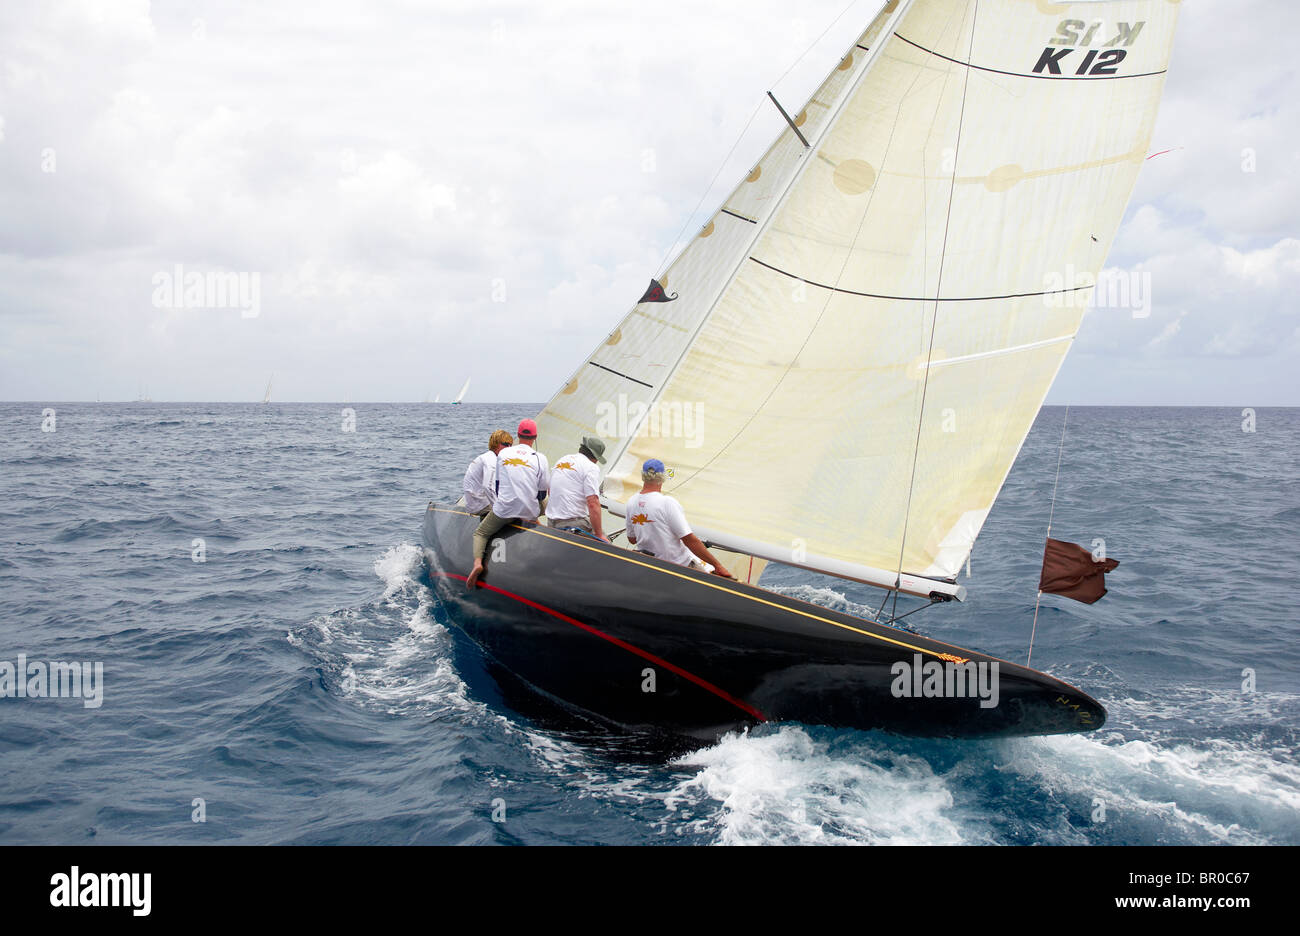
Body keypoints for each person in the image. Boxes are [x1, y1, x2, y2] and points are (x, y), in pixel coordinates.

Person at [466, 418, 549, 589]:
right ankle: (544, 527)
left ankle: (477, 564)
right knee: (546, 502)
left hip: (503, 510)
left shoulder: (502, 454)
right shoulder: (540, 458)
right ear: (535, 437)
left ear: (517, 436)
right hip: (528, 511)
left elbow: (497, 487)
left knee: (480, 533)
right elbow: (541, 493)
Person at [625, 458, 731, 578]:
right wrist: (718, 565)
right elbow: (689, 540)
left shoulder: (631, 502)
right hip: (678, 566)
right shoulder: (666, 502)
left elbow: (632, 539)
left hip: (650, 566)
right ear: (663, 477)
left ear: (642, 476)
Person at [545, 436, 610, 541]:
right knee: (606, 543)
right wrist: (599, 535)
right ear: (595, 458)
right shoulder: (591, 467)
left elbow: (550, 491)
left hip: (551, 523)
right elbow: (593, 503)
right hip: (572, 524)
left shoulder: (563, 459)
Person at [462, 429, 513, 515]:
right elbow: (488, 487)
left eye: (510, 445)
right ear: (496, 444)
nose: (508, 448)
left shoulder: (490, 457)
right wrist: (499, 509)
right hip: (480, 506)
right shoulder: (490, 459)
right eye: (505, 444)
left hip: (476, 503)